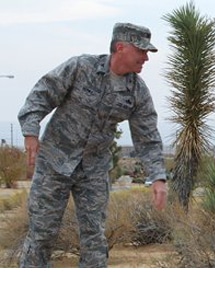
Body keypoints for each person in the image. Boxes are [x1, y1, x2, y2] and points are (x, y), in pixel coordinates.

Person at [17, 22, 168, 267]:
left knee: (94, 239)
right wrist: (31, 132)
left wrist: (158, 177)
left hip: (93, 170)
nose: (145, 58)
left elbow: (148, 136)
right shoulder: (80, 68)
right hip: (54, 164)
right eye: (141, 51)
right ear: (121, 47)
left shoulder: (137, 91)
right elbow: (41, 95)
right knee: (42, 234)